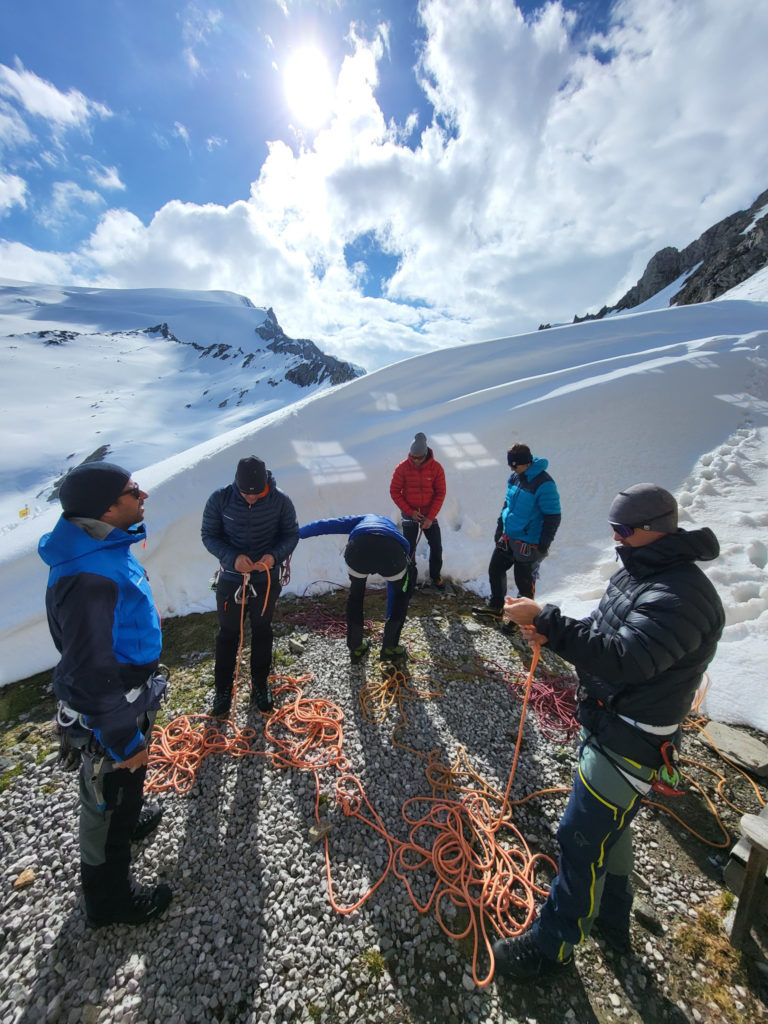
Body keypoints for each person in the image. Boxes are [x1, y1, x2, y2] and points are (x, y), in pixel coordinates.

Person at [493, 483, 724, 983]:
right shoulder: (641, 570)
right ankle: (613, 919)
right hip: (608, 723)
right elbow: (602, 632)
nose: (616, 539)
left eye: (623, 530)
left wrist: (550, 623)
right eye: (613, 530)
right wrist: (549, 631)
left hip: (631, 738)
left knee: (578, 839)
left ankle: (553, 948)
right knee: (608, 831)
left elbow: (627, 661)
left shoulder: (681, 597)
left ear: (654, 530)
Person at [38, 462, 172, 928]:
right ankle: (109, 901)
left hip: (126, 691)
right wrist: (122, 740)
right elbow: (87, 671)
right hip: (112, 703)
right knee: (105, 798)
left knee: (122, 788)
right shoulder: (88, 576)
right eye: (133, 490)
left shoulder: (101, 544)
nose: (143, 496)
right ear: (108, 507)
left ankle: (129, 817)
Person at [202, 456, 299, 716]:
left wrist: (273, 556)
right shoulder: (220, 499)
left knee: (262, 629)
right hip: (231, 578)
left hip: (266, 578)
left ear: (267, 483)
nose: (251, 499)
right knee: (228, 633)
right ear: (237, 484)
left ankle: (260, 683)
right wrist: (232, 557)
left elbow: (291, 534)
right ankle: (223, 689)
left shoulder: (281, 501)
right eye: (245, 493)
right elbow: (208, 535)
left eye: (257, 494)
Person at [299, 514, 414, 663]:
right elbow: (396, 590)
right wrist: (390, 612)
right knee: (400, 597)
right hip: (391, 552)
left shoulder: (363, 519)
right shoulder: (391, 526)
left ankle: (356, 646)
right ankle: (390, 647)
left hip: (359, 549)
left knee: (356, 597)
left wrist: (297, 533)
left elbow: (328, 524)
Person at [473, 443, 561, 620]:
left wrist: (544, 544)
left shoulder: (544, 484)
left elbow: (553, 515)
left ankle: (522, 620)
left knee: (525, 583)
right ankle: (496, 607)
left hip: (529, 542)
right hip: (508, 536)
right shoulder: (515, 477)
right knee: (495, 569)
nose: (513, 469)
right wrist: (500, 527)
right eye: (510, 466)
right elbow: (507, 504)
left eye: (516, 465)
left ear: (527, 463)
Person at [390, 432, 447, 589]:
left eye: (418, 457)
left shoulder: (436, 468)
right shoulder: (402, 468)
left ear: (425, 453)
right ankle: (410, 579)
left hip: (429, 514)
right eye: (412, 456)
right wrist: (410, 511)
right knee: (409, 548)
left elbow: (440, 493)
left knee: (436, 546)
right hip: (410, 513)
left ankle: (435, 576)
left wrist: (430, 517)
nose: (415, 460)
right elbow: (394, 491)